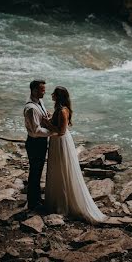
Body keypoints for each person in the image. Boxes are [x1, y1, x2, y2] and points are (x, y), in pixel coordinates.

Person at [44, 86, 107, 224]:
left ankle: (63, 203)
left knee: (61, 169)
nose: (51, 95)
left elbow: (60, 131)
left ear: (59, 96)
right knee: (58, 169)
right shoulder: (60, 110)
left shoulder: (62, 111)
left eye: (54, 93)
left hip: (60, 142)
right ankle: (57, 200)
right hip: (57, 142)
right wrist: (50, 118)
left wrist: (46, 124)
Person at [23, 79, 51, 211]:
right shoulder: (31, 108)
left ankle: (36, 198)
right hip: (35, 143)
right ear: (34, 90)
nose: (44, 92)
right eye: (42, 90)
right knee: (35, 172)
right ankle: (33, 203)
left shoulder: (40, 102)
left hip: (40, 142)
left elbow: (41, 120)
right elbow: (36, 131)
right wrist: (54, 132)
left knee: (38, 171)